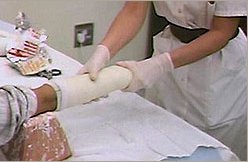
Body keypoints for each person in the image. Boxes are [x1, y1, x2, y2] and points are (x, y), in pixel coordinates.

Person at [78, 1, 247, 160]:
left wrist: (160, 65)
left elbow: (222, 32)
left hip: (218, 71)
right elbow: (133, 10)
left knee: (214, 151)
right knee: (161, 135)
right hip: (171, 52)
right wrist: (103, 52)